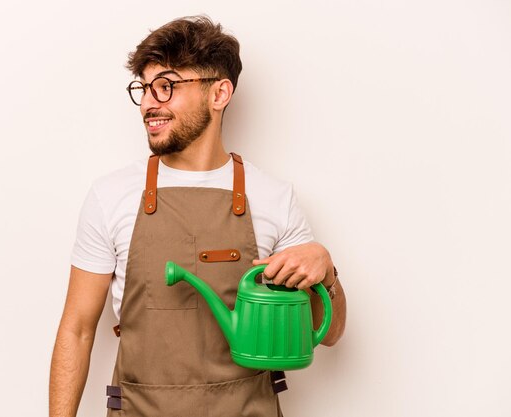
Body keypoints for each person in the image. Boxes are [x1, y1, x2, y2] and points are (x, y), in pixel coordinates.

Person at [49, 15, 347, 417]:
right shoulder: (111, 196)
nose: (150, 103)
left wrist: (326, 270)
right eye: (144, 88)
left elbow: (328, 334)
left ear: (219, 93)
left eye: (166, 86)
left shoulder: (274, 197)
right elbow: (77, 330)